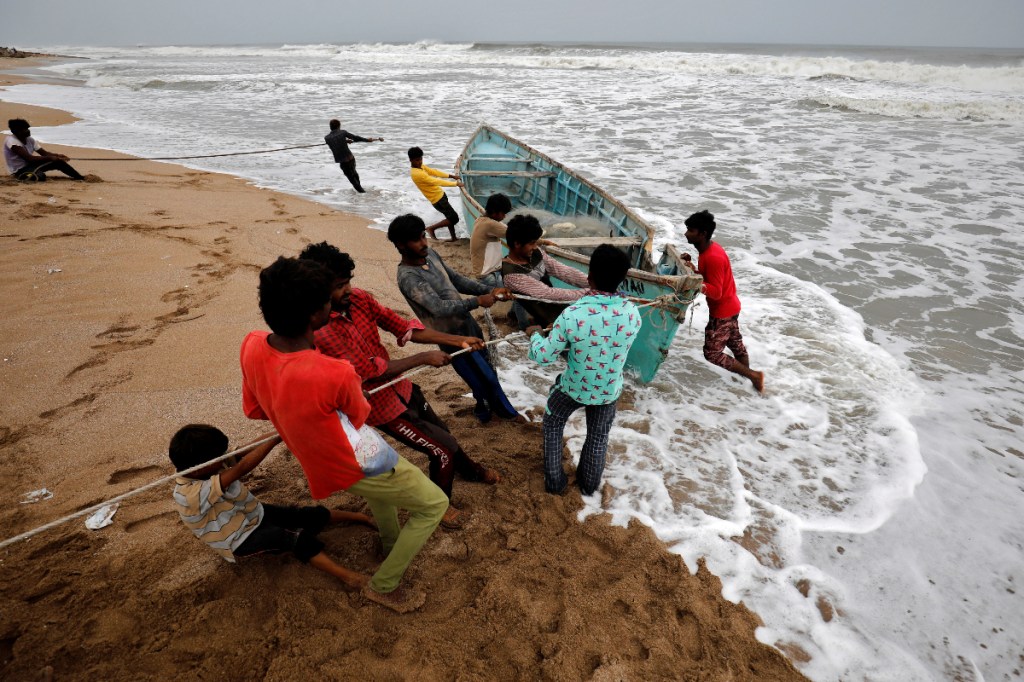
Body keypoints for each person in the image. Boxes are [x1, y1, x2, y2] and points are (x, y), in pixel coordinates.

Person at [240, 256, 449, 613]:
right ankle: (384, 585)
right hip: (354, 458)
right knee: (433, 505)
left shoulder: (253, 342)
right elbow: (360, 415)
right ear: (315, 314)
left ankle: (389, 541)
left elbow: (255, 409)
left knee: (380, 495)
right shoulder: (333, 372)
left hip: (319, 462)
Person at [299, 241, 501, 531]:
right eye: (340, 285)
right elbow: (365, 371)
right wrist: (423, 358)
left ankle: (471, 471)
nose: (348, 290)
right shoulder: (315, 330)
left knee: (444, 434)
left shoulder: (360, 299)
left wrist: (457, 341)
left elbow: (402, 326)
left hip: (401, 388)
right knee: (440, 451)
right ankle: (440, 507)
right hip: (377, 407)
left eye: (348, 282)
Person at [170, 424, 373, 588]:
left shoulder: (207, 464)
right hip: (239, 538)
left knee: (304, 515)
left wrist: (280, 428)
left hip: (252, 512)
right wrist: (277, 438)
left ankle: (361, 518)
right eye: (219, 457)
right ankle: (348, 576)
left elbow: (243, 452)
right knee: (296, 539)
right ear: (198, 469)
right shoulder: (190, 494)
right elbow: (242, 467)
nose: (225, 458)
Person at [526, 244, 642, 496]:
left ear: (589, 278)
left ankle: (555, 483)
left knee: (554, 422)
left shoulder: (573, 314)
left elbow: (543, 356)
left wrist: (535, 335)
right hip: (608, 389)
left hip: (574, 388)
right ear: (622, 279)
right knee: (599, 436)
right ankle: (589, 487)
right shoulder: (633, 312)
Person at [387, 213, 525, 425]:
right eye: (417, 240)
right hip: (449, 336)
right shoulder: (408, 277)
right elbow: (438, 308)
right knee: (481, 378)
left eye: (423, 236)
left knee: (488, 371)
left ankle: (487, 409)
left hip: (467, 324)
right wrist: (477, 301)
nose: (424, 243)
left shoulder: (430, 254)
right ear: (400, 245)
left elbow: (457, 281)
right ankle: (507, 414)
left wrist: (491, 290)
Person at [682, 210, 765, 394]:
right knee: (736, 345)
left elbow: (716, 292)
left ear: (702, 234)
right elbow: (709, 279)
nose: (686, 233)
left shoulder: (712, 257)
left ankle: (754, 376)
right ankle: (750, 387)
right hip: (731, 306)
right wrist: (694, 270)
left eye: (691, 230)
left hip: (722, 311)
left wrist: (693, 282)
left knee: (712, 353)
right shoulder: (708, 250)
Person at [502, 214, 591, 328]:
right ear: (517, 244)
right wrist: (590, 293)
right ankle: (522, 325)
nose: (535, 246)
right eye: (532, 243)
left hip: (561, 310)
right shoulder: (511, 275)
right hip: (548, 320)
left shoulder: (535, 253)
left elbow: (561, 270)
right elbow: (548, 294)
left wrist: (592, 282)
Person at [470, 193, 530, 329]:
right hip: (488, 276)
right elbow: (515, 235)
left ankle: (513, 315)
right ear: (496, 212)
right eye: (503, 214)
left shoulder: (481, 220)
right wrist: (541, 240)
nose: (504, 217)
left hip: (491, 270)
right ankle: (524, 327)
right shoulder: (490, 225)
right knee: (522, 294)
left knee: (518, 287)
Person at [408, 146, 462, 241]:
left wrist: (451, 176)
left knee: (449, 217)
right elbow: (435, 181)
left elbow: (433, 172)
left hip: (440, 196)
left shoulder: (420, 167)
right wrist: (456, 184)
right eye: (417, 160)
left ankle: (453, 237)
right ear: (411, 160)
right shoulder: (417, 173)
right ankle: (431, 228)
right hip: (438, 199)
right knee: (454, 218)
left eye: (421, 159)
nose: (420, 162)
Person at [4, 118, 85, 181]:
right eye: (25, 129)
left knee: (59, 162)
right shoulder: (12, 142)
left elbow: (44, 153)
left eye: (27, 128)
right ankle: (23, 176)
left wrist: (57, 155)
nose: (28, 131)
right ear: (16, 131)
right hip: (20, 170)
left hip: (31, 166)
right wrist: (50, 158)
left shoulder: (30, 140)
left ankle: (80, 177)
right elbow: (29, 159)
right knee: (41, 176)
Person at [324, 119, 382, 193]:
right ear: (339, 126)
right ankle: (362, 193)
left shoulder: (327, 138)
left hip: (343, 162)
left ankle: (362, 193)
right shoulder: (343, 132)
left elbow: (334, 143)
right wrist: (367, 140)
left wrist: (345, 141)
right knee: (354, 174)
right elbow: (355, 138)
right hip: (351, 158)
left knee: (352, 180)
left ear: (330, 127)